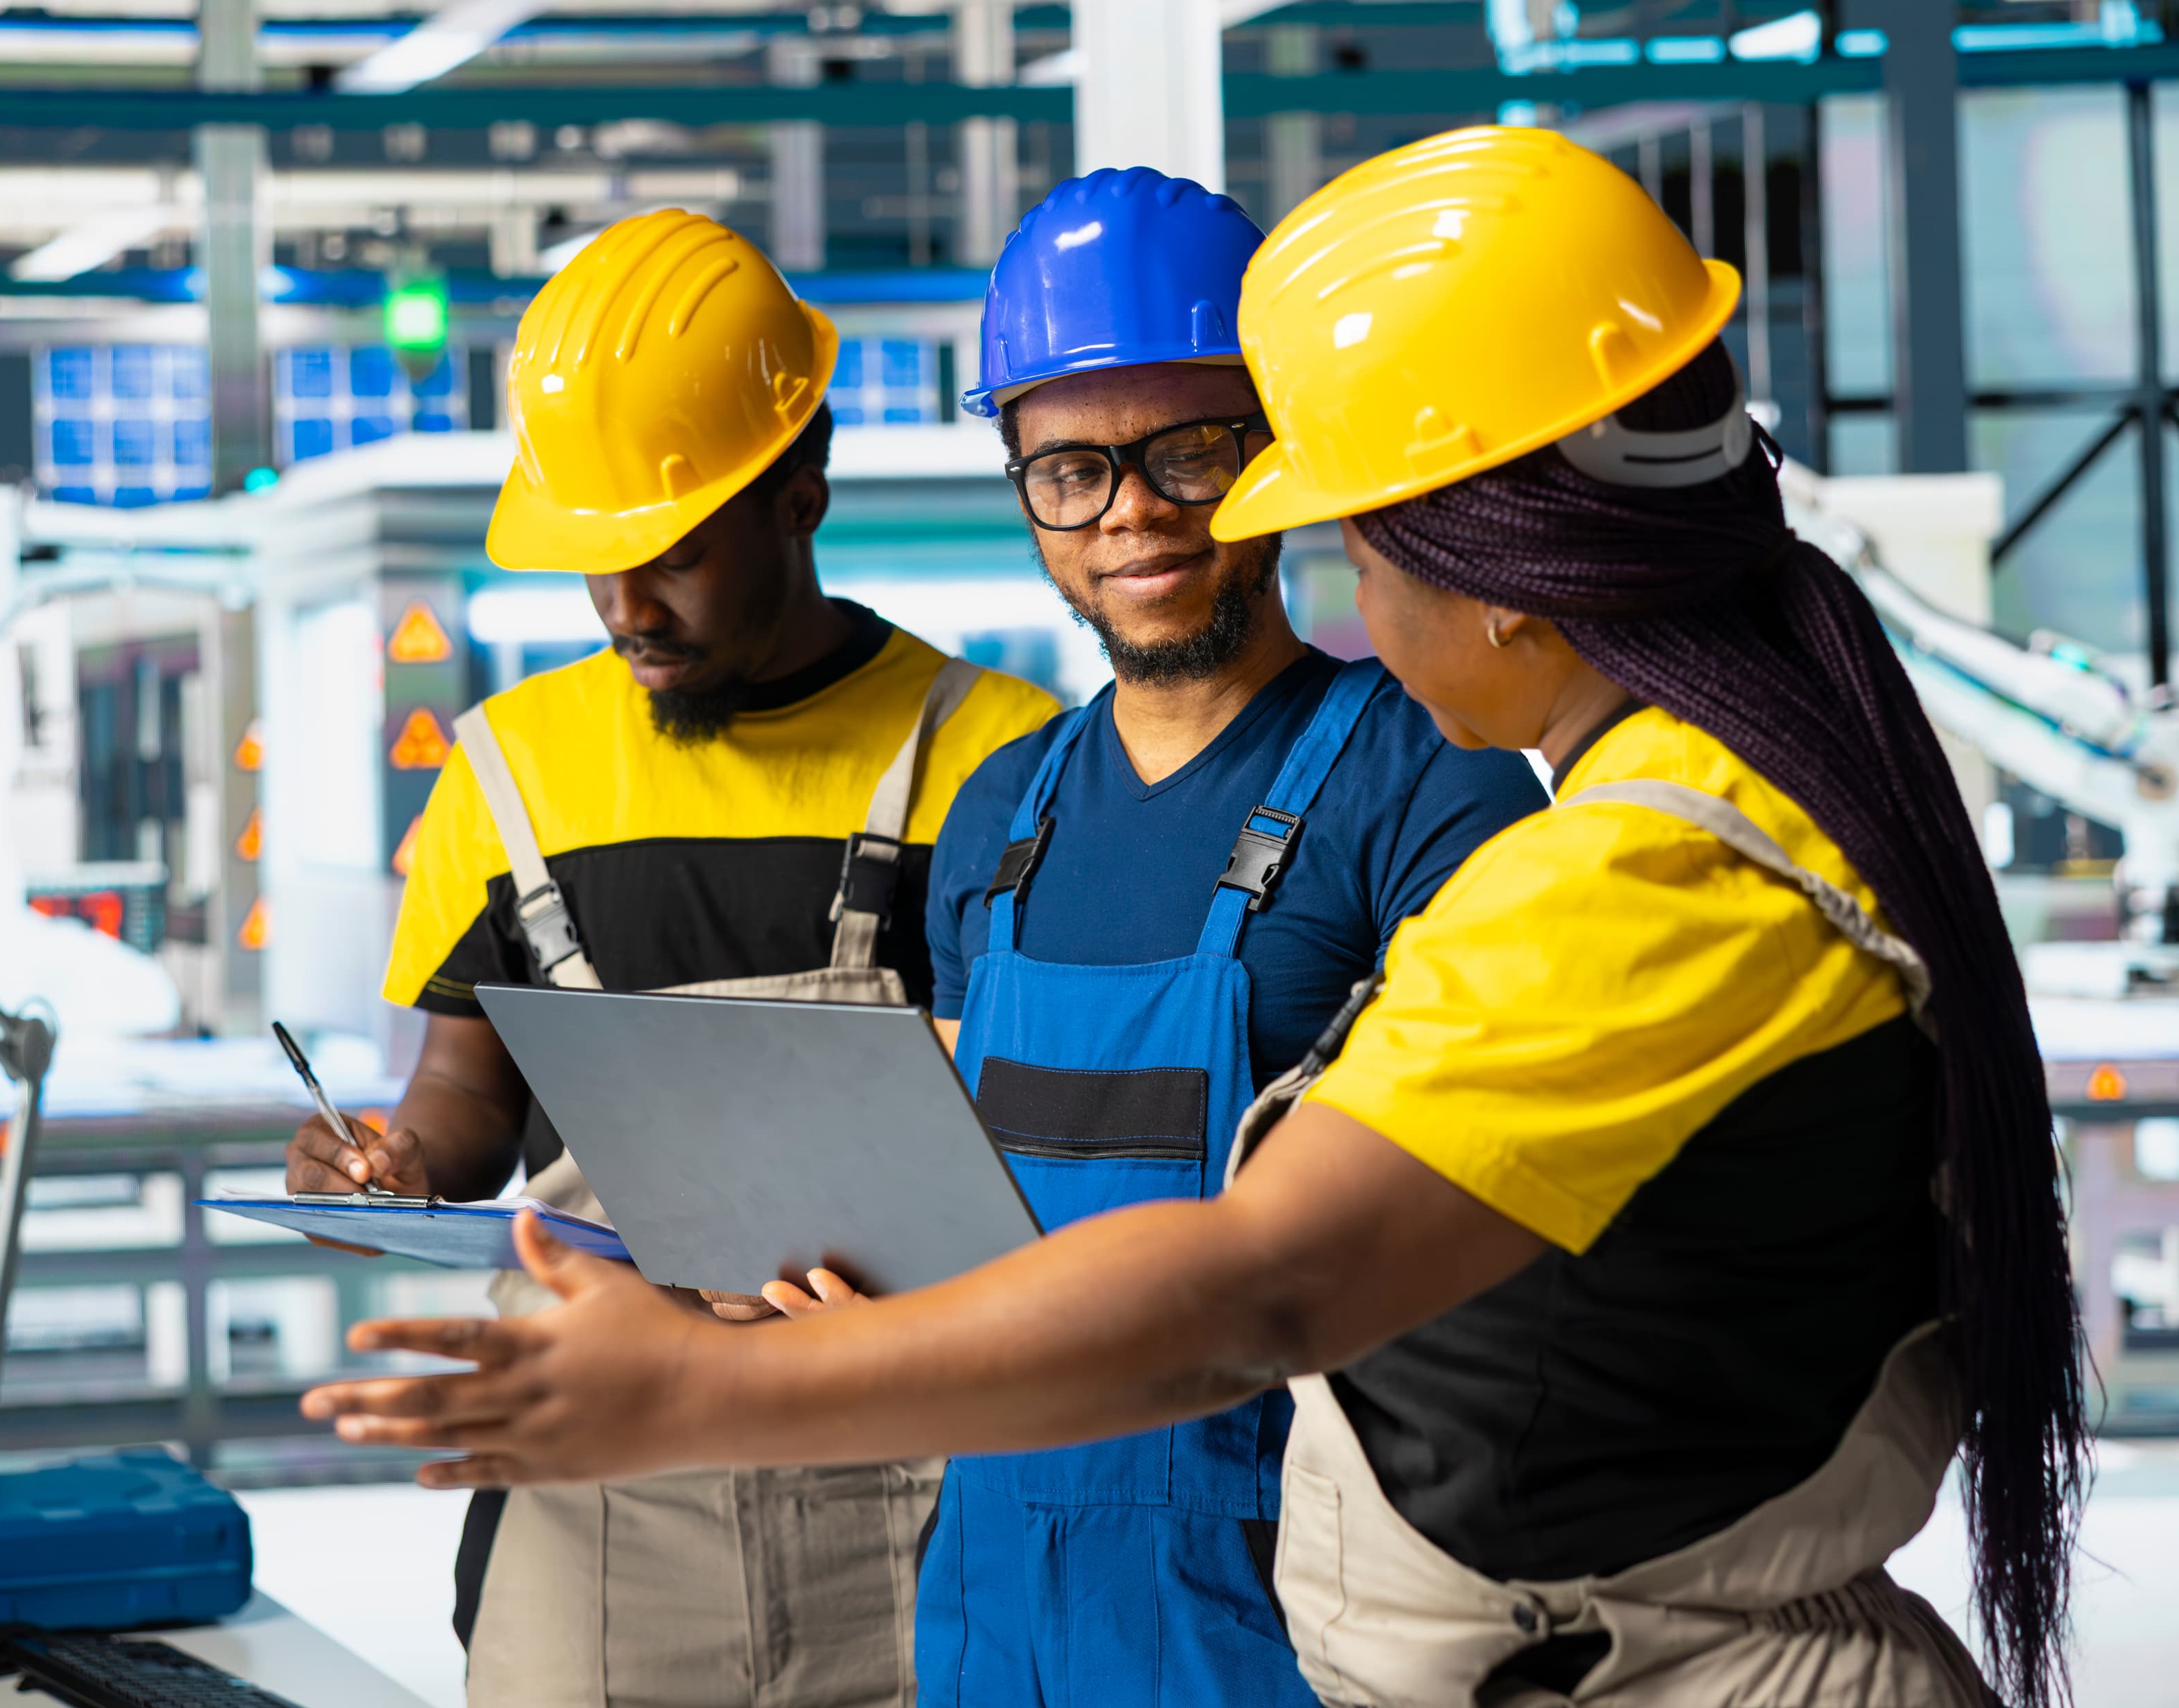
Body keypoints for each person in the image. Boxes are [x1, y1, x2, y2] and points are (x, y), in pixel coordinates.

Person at [302, 130, 2092, 1708]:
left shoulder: (1631, 869)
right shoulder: (1725, 804)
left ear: (1495, 553)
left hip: (1533, 1641)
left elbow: (1270, 1282)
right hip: (1098, 1575)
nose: (1341, 581)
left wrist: (691, 1397)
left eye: (1336, 527)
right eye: (1069, 469)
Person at [280, 207, 1061, 1708]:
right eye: (596, 564)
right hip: (598, 1493)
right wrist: (382, 1162)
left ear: (800, 491)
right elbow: (465, 1099)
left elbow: (1041, 1141)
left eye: (673, 556)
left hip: (908, 1473)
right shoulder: (512, 766)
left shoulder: (998, 755)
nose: (627, 608)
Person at [808, 167, 1539, 1707]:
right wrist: (855, 1283)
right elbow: (963, 1209)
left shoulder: (1427, 788)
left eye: (1192, 449)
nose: (1131, 508)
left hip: (1298, 1600)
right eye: (1069, 467)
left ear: (1281, 452)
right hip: (994, 1593)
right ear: (1020, 484)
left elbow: (1494, 1248)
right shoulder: (1003, 811)